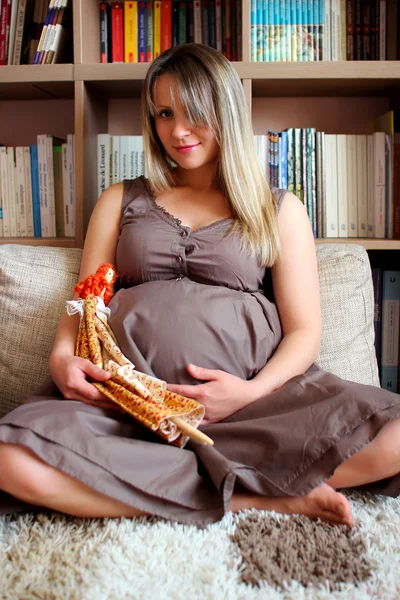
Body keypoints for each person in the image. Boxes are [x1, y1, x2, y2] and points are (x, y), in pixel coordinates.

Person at [0, 43, 399, 526]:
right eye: (164, 113)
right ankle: (263, 496)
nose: (177, 130)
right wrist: (62, 357)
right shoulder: (120, 199)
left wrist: (248, 394)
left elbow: (304, 332)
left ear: (225, 111)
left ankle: (190, 477)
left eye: (192, 112)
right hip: (126, 410)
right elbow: (86, 301)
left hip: (258, 408)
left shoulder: (279, 209)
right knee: (9, 459)